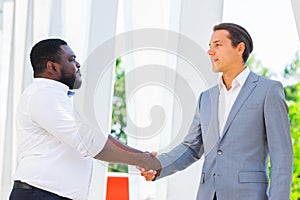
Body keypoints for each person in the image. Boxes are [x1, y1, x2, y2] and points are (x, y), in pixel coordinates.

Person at [138, 23, 293, 200]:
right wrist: (158, 165)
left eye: (218, 45)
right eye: (210, 47)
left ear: (239, 48)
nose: (210, 52)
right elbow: (191, 148)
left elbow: (282, 157)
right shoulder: (206, 98)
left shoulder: (268, 91)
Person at [9, 39, 161, 200]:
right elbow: (88, 141)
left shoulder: (53, 97)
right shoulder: (43, 95)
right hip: (39, 194)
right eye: (71, 59)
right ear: (52, 67)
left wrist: (142, 158)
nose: (78, 64)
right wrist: (143, 159)